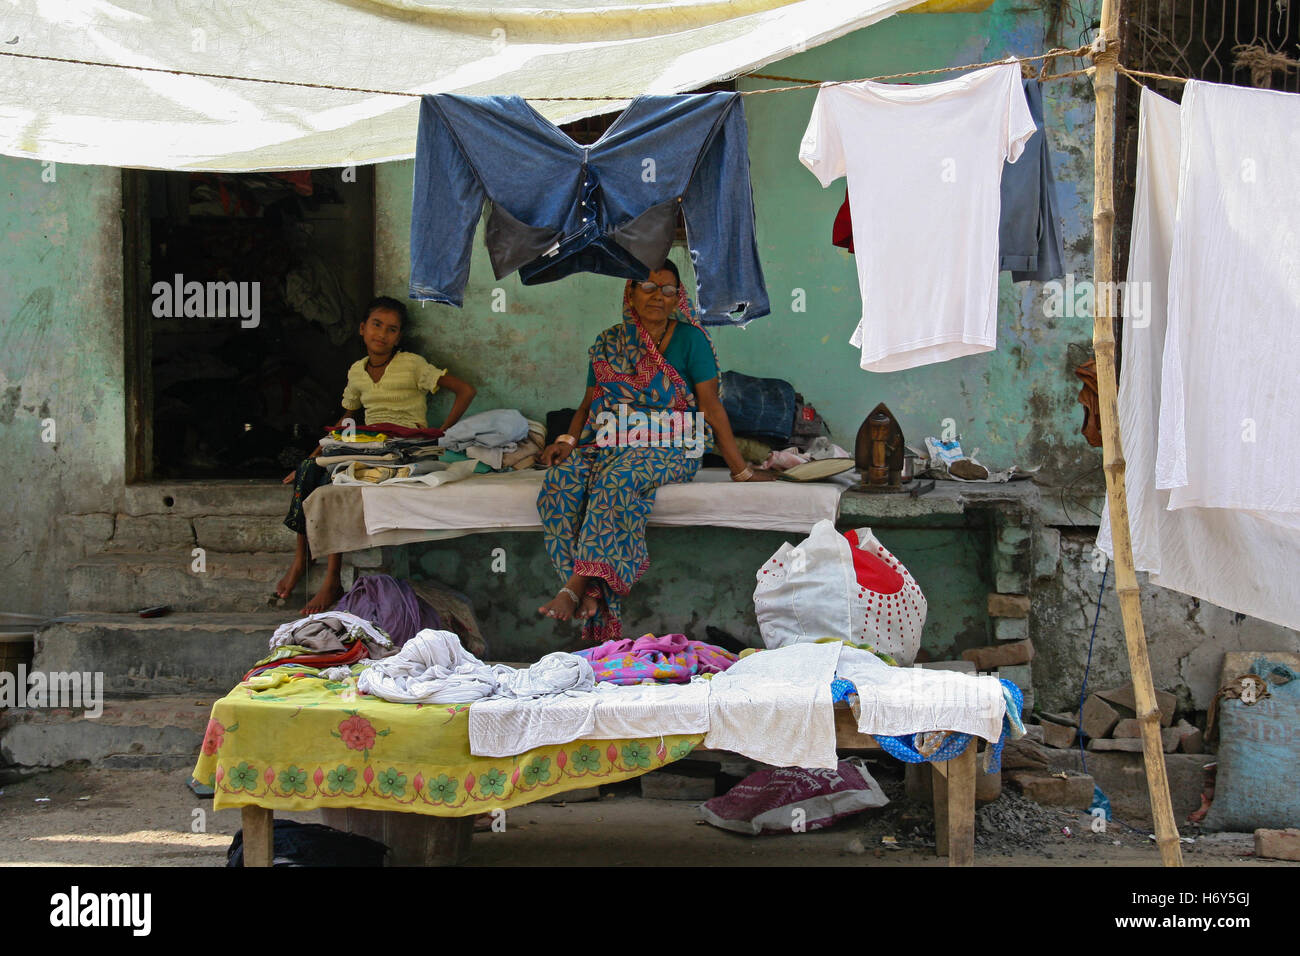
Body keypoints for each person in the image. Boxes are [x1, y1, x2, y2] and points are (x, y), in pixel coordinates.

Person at [536, 260, 773, 641]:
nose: (658, 297)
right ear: (630, 293)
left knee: (617, 479)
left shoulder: (691, 340)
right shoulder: (609, 342)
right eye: (647, 287)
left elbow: (711, 407)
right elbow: (589, 402)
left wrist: (740, 469)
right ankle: (594, 590)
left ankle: (576, 587)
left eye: (667, 290)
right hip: (612, 441)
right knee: (560, 483)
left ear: (677, 297)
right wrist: (566, 441)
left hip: (674, 445)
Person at [276, 296, 476, 613]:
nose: (382, 334)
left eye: (392, 329)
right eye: (376, 325)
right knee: (308, 471)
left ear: (399, 337)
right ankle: (301, 559)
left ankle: (331, 579)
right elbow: (348, 418)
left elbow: (466, 390)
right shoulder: (357, 371)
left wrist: (439, 433)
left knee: (332, 482)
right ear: (362, 328)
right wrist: (316, 454)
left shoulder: (412, 364)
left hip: (403, 446)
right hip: (369, 443)